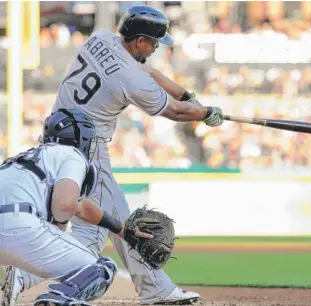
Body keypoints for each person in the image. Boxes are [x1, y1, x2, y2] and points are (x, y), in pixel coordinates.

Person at [2, 5, 224, 306]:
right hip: (86, 148)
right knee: (121, 220)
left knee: (89, 238)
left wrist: (188, 96)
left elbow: (153, 75)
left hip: (57, 135)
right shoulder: (131, 78)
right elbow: (174, 111)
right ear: (141, 41)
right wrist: (207, 112)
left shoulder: (101, 39)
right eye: (155, 41)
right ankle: (156, 290)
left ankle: (22, 277)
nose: (157, 47)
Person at [0, 109, 154, 306]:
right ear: (81, 138)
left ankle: (20, 276)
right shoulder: (71, 154)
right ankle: (57, 299)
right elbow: (66, 204)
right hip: (19, 227)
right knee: (100, 269)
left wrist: (123, 230)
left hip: (14, 224)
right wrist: (60, 223)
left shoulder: (27, 157)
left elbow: (80, 207)